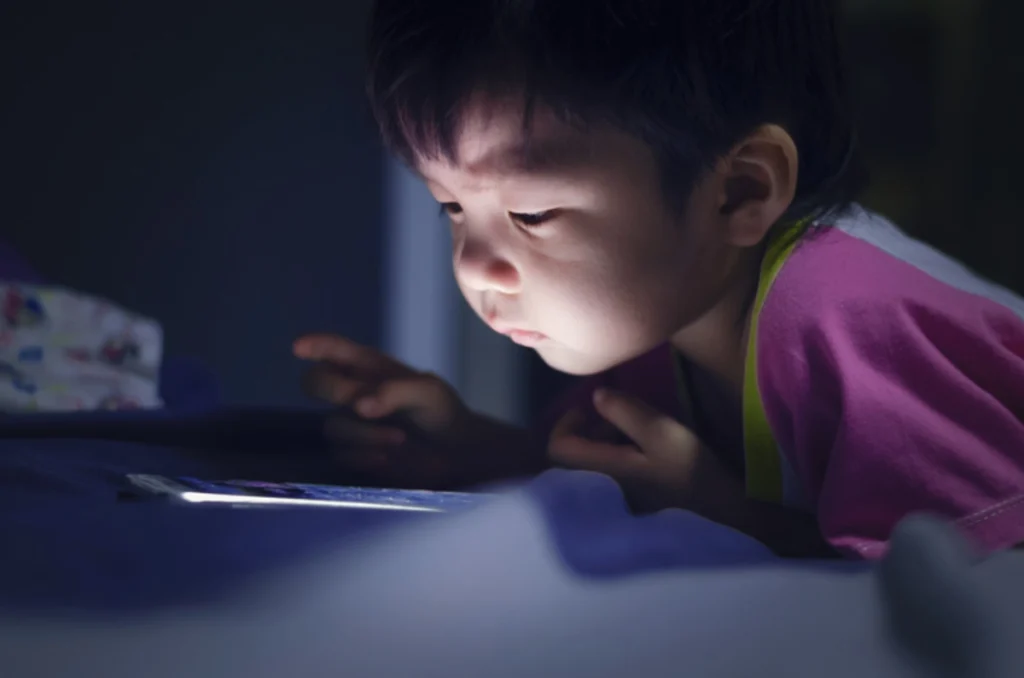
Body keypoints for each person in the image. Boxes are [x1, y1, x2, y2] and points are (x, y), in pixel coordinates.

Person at [294, 0, 1024, 559]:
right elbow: (609, 471)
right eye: (452, 206)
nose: (472, 265)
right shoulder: (666, 307)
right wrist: (467, 441)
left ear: (738, 191)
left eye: (535, 212)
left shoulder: (839, 314)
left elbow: (967, 595)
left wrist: (723, 515)